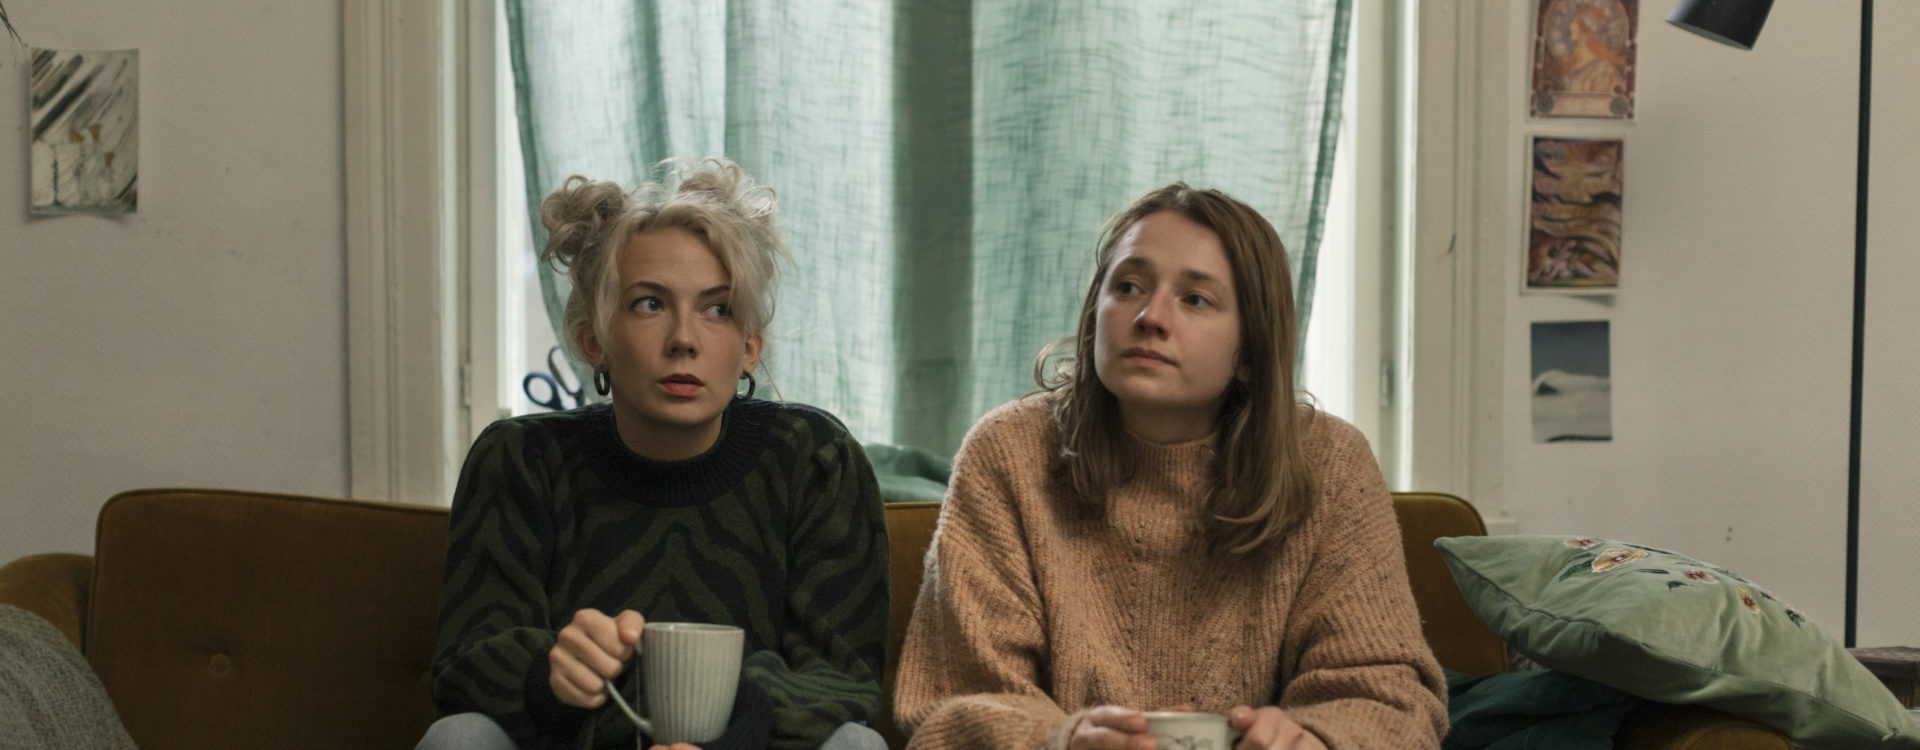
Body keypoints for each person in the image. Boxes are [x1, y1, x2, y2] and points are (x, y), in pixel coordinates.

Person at [893, 183, 1447, 749]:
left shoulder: (1331, 464)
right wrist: (1061, 741)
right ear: (1095, 315)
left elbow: (1390, 701)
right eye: (1128, 287)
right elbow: (950, 706)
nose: (1149, 316)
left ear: (1252, 352)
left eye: (1195, 299)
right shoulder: (1008, 453)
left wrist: (1317, 741)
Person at [420, 158, 890, 750]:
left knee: (857, 745)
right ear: (594, 340)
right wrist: (550, 672)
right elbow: (465, 664)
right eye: (649, 304)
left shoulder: (815, 460)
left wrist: (731, 730)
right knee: (458, 736)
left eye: (717, 309)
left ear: (749, 347)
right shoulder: (520, 460)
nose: (684, 339)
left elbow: (844, 679)